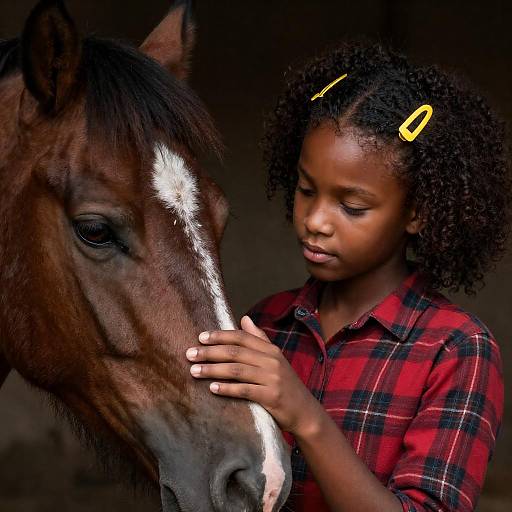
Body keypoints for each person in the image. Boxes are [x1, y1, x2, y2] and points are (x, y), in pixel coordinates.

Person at [185, 42, 509, 512]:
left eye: (351, 206)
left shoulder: (456, 351)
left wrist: (306, 418)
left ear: (416, 213)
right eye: (305, 189)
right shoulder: (267, 326)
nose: (315, 220)